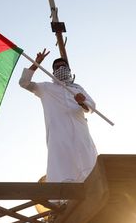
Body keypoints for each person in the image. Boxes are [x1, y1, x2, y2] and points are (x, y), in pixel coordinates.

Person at [19, 49, 98, 183]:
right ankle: (62, 198)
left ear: (68, 69)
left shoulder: (77, 88)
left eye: (63, 66)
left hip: (80, 132)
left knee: (87, 159)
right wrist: (36, 64)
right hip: (58, 133)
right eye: (57, 67)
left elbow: (92, 107)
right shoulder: (46, 88)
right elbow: (24, 83)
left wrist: (82, 102)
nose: (60, 68)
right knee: (61, 162)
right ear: (53, 71)